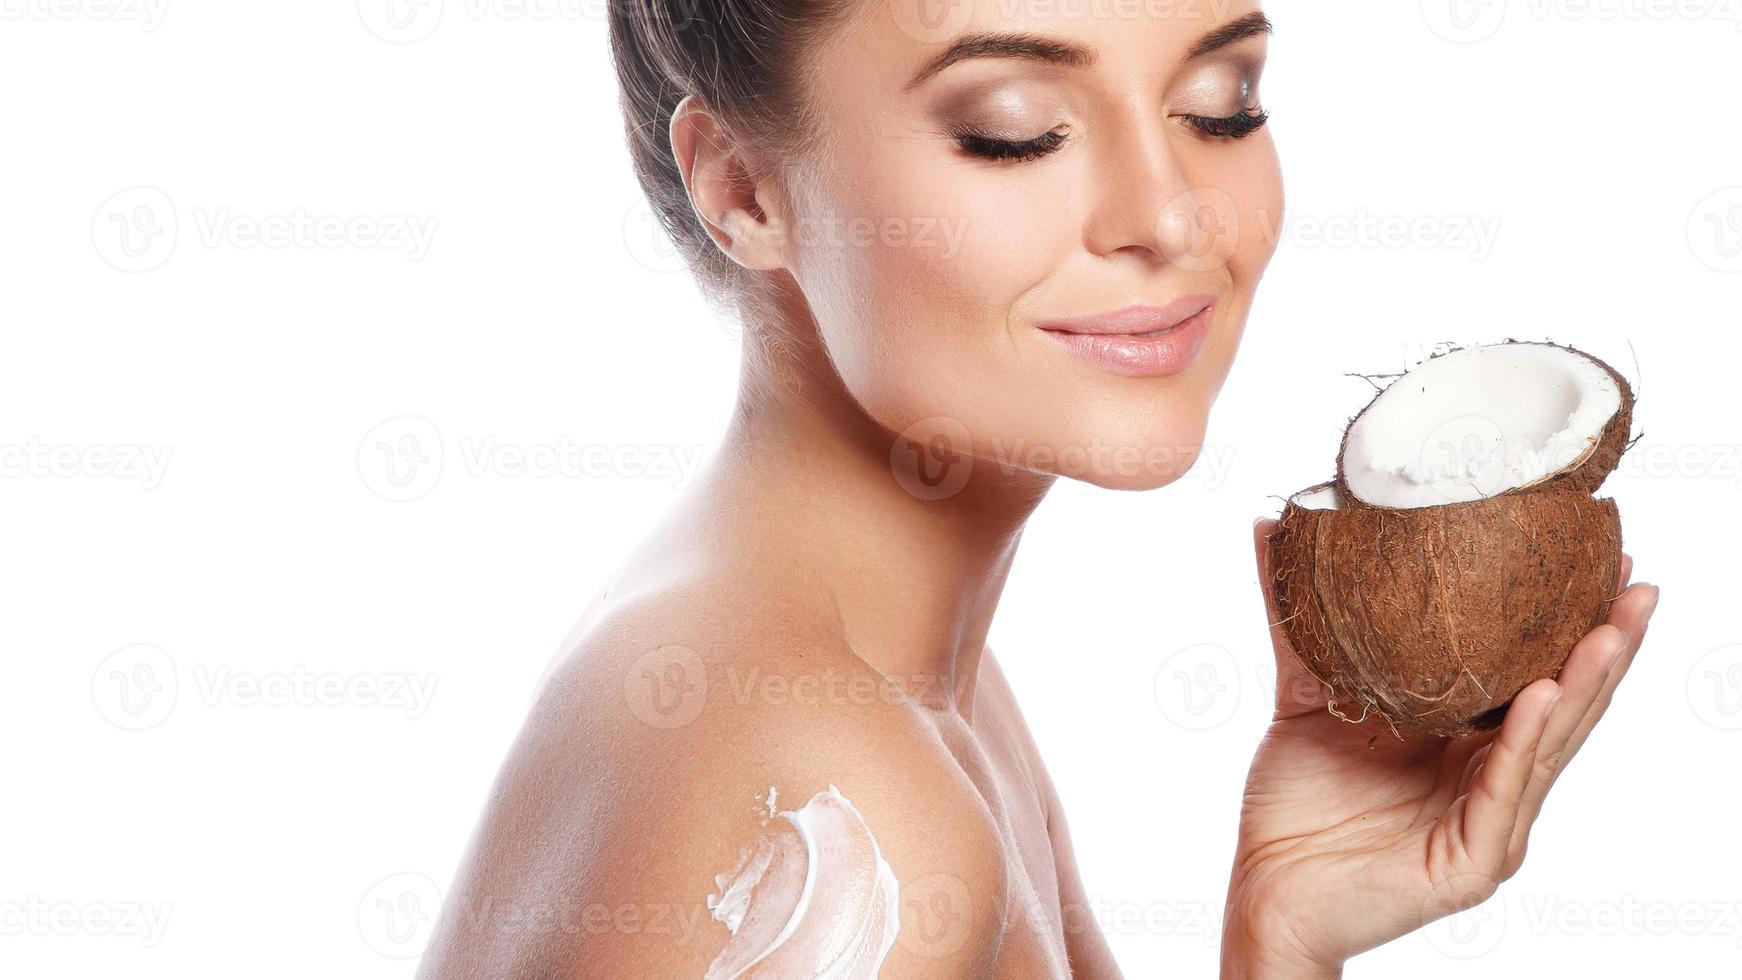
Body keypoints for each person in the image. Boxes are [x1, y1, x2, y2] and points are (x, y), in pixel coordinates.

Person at [415, 2, 1660, 976]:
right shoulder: (831, 791)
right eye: (1014, 127)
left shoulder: (903, 680)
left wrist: (1284, 935)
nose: (1166, 212)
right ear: (742, 189)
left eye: (1220, 103)